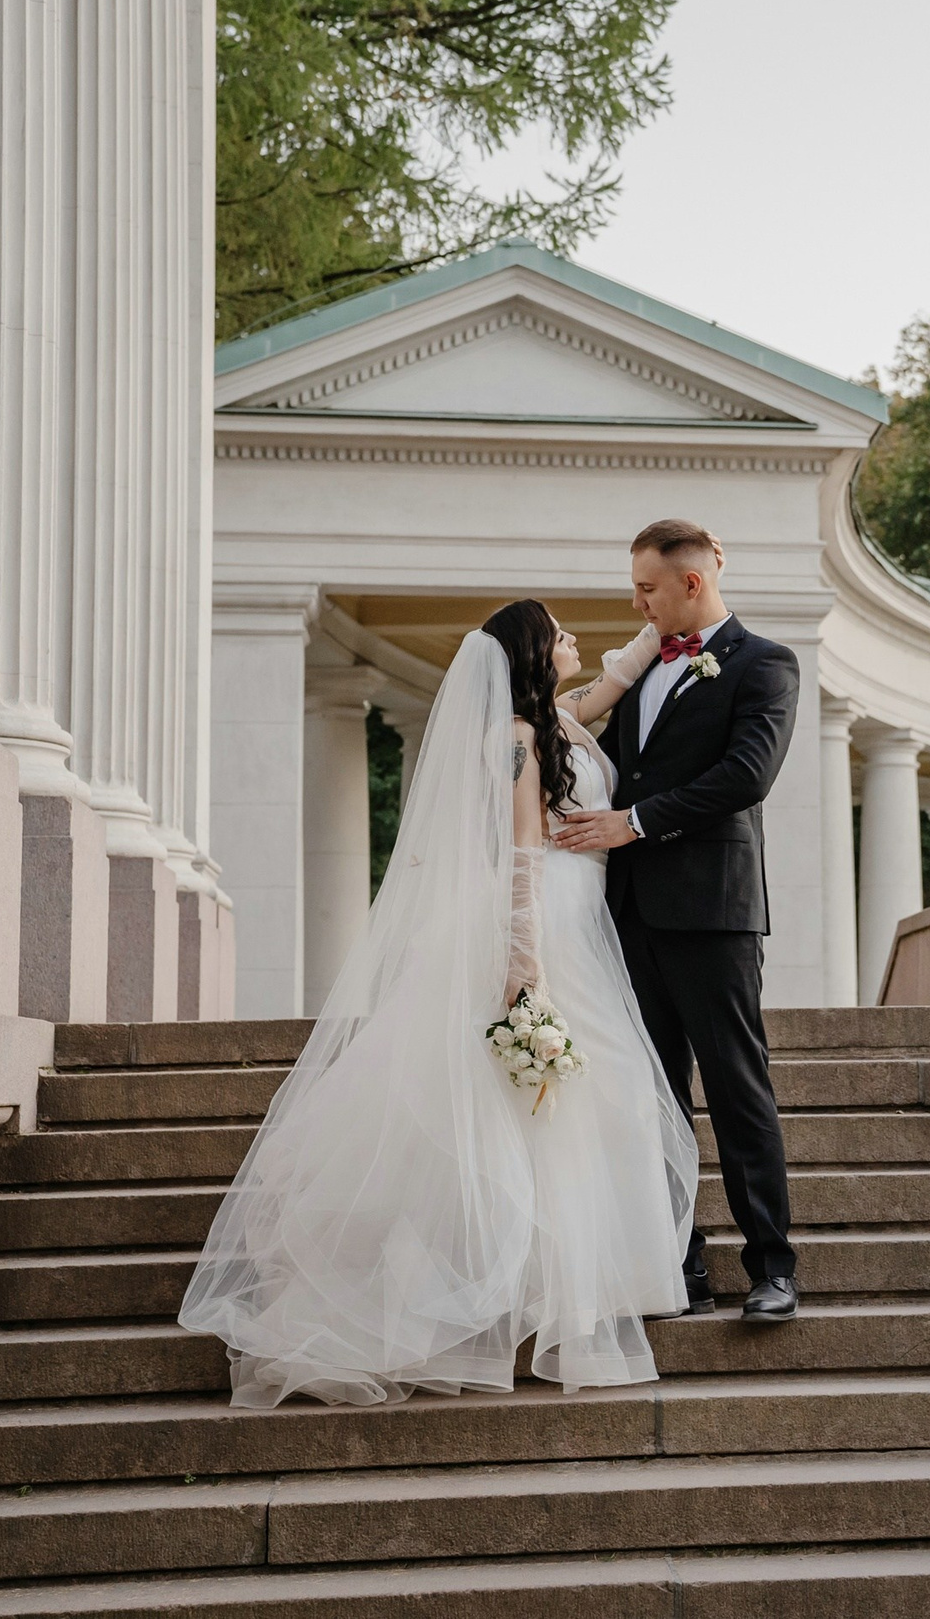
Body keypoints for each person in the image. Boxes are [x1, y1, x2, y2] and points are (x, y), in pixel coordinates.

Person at [180, 602, 694, 1406]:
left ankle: (575, 1284)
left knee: (591, 1099)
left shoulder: (553, 721)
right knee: (548, 1101)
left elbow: (608, 685)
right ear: (531, 653)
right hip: (548, 924)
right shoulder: (519, 740)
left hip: (584, 920)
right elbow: (523, 853)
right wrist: (526, 967)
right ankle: (534, 1289)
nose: (573, 644)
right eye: (558, 633)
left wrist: (659, 628)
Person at [551, 518, 803, 1321]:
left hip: (712, 911)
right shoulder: (638, 670)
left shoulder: (766, 664)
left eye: (647, 588)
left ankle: (772, 1269)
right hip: (626, 917)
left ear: (691, 583)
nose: (636, 602)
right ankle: (677, 1265)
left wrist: (635, 822)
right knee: (652, 1097)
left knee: (736, 1088)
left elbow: (746, 776)